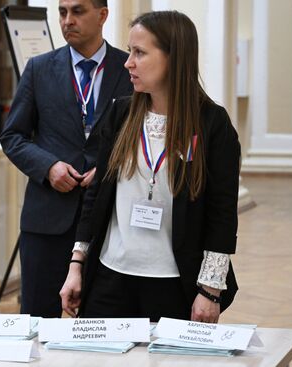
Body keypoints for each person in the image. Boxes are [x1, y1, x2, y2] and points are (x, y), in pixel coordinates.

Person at [60, 10, 240, 323]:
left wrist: (210, 290)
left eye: (139, 53)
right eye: (130, 51)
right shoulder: (121, 113)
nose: (128, 62)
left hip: (174, 283)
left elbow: (222, 214)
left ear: (174, 57)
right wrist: (77, 264)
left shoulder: (213, 124)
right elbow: (96, 197)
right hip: (109, 278)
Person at [0, 0, 133, 317]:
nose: (67, 20)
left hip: (108, 220)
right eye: (62, 13)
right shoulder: (39, 68)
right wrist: (48, 167)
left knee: (102, 323)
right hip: (47, 219)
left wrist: (109, 168)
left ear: (102, 15)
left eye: (77, 11)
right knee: (37, 321)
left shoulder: (129, 69)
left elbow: (143, 137)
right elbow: (12, 136)